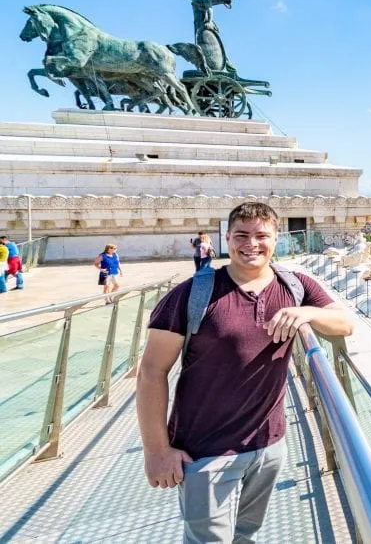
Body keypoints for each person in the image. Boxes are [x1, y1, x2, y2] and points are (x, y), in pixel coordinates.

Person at [137, 202, 353, 543]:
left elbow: (344, 324)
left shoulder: (295, 287)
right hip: (203, 450)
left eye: (261, 236)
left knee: (246, 536)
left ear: (276, 239)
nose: (251, 244)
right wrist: (156, 451)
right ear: (226, 238)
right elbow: (151, 371)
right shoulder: (193, 294)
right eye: (242, 235)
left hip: (269, 445)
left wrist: (308, 312)